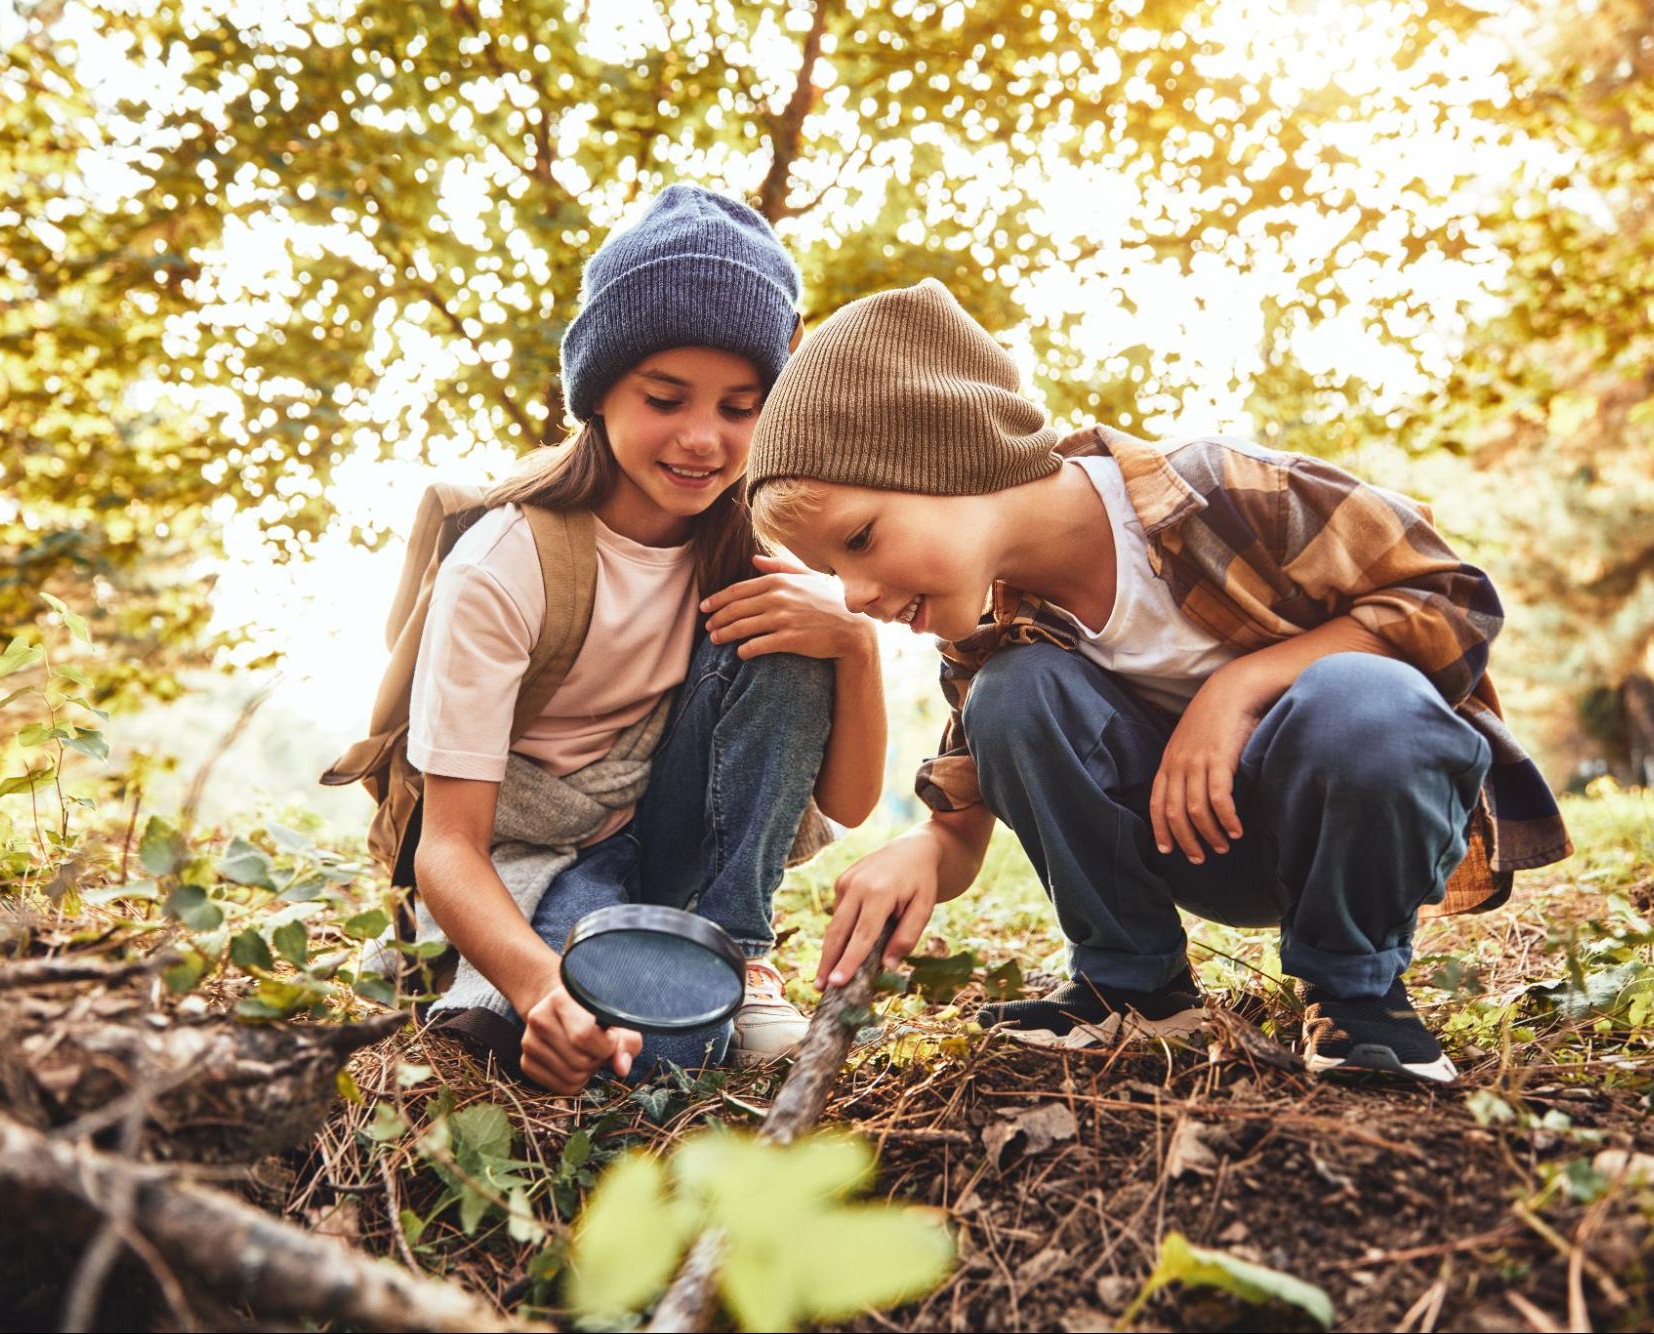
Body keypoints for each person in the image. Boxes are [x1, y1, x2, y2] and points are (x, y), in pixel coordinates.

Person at [744, 278, 1570, 1083]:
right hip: (1196, 850)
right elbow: (964, 821)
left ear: (950, 457)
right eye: (825, 568)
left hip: (1352, 820)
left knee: (1366, 699)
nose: (851, 595)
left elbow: (1450, 600)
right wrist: (922, 852)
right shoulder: (988, 634)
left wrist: (1236, 688)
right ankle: (1134, 987)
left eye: (858, 539)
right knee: (1015, 689)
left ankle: (1357, 998)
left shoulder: (1226, 492)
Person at [403, 187, 885, 1094]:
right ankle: (540, 974)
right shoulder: (505, 565)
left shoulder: (752, 553)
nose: (702, 439)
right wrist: (542, 990)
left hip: (671, 835)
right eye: (665, 398)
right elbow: (448, 845)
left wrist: (852, 641)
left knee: (790, 628)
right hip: (536, 853)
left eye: (741, 409)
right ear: (600, 391)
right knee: (633, 1054)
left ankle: (734, 954)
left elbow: (851, 803)